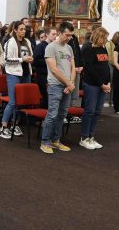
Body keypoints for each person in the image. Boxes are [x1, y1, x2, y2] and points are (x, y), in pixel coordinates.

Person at [40, 22, 76, 154]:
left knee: (62, 115)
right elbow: (54, 69)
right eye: (67, 35)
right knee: (52, 114)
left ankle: (56, 140)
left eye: (71, 35)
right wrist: (68, 83)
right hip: (55, 85)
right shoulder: (51, 47)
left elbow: (73, 67)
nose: (69, 38)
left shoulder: (69, 48)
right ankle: (45, 142)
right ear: (59, 33)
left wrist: (71, 82)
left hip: (67, 86)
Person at [0, 21, 33, 139]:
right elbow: (7, 59)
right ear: (15, 30)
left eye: (24, 29)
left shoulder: (27, 41)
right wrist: (22, 60)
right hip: (14, 74)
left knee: (21, 102)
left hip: (26, 73)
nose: (23, 31)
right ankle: (3, 127)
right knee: (12, 102)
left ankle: (14, 124)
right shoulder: (10, 42)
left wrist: (30, 59)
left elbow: (30, 54)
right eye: (21, 29)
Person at [79, 27, 110, 150]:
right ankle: (84, 138)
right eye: (104, 38)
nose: (106, 40)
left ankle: (91, 136)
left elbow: (106, 65)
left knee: (97, 112)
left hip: (103, 84)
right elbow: (90, 69)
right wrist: (101, 84)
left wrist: (108, 82)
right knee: (90, 111)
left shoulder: (102, 47)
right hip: (92, 84)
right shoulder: (87, 48)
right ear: (98, 37)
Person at [33, 27, 57, 108]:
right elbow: (35, 61)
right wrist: (49, 61)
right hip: (43, 75)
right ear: (47, 35)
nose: (55, 36)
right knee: (46, 98)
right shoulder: (40, 46)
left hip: (52, 75)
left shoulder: (54, 46)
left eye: (56, 34)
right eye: (53, 34)